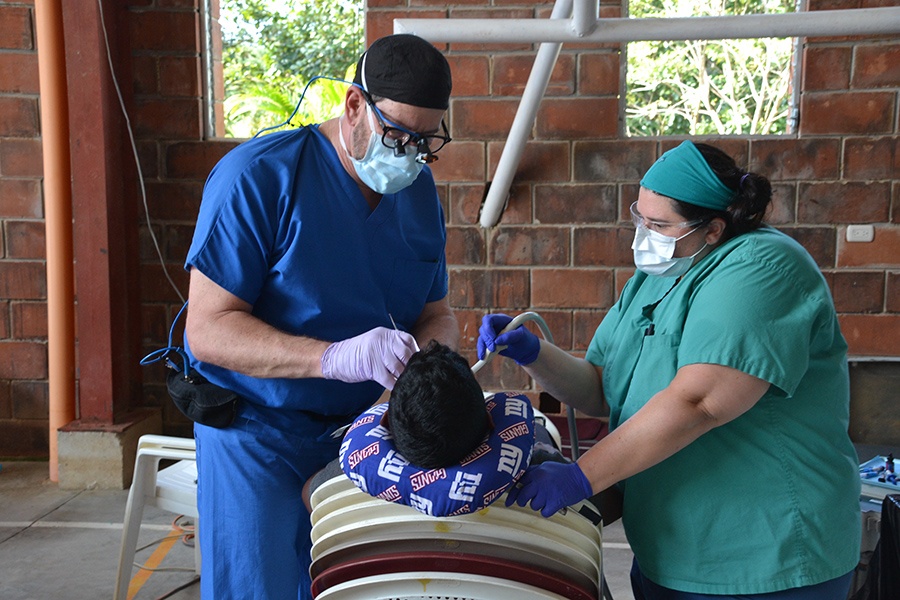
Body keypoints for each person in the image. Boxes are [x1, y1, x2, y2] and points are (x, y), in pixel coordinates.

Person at [478, 140, 861, 600]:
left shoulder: (763, 268)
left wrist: (581, 477)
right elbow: (603, 388)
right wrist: (533, 352)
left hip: (763, 553)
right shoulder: (661, 274)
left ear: (714, 228)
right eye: (640, 218)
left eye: (659, 225)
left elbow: (699, 402)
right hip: (672, 545)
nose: (643, 235)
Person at [182, 34, 459, 599]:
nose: (409, 155)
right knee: (264, 587)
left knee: (362, 587)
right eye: (397, 135)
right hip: (260, 433)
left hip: (367, 434)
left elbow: (436, 313)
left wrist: (423, 371)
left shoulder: (418, 191)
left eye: (425, 142)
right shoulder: (258, 178)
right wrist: (332, 358)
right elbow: (207, 330)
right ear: (354, 105)